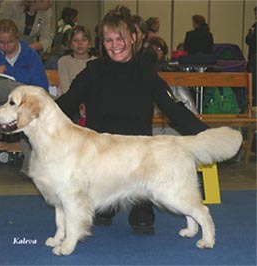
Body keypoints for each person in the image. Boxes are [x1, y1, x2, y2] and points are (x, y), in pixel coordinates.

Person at [55, 5, 209, 234]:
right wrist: (39, 116)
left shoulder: (146, 71)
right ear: (102, 42)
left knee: (142, 223)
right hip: (101, 161)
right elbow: (67, 103)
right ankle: (105, 204)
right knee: (99, 214)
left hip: (140, 160)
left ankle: (141, 206)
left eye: (120, 38)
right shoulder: (93, 70)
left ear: (133, 37)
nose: (115, 45)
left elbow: (172, 107)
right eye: (108, 40)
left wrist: (204, 134)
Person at [0, 19, 49, 173]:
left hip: (20, 107)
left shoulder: (31, 56)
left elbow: (42, 86)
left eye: (10, 42)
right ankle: (34, 99)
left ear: (17, 38)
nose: (6, 46)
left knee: (23, 112)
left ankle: (31, 165)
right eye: (1, 42)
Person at [57, 25, 97, 95]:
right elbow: (66, 91)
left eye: (84, 40)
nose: (80, 43)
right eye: (75, 40)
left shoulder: (97, 62)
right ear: (70, 44)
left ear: (89, 43)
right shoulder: (63, 62)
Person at [245, 6, 257, 72]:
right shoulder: (254, 26)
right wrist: (250, 34)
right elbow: (247, 41)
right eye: (255, 14)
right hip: (252, 55)